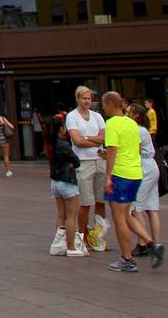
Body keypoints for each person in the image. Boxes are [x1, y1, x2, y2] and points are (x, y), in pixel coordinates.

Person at [100, 91, 157, 273]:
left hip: (120, 174)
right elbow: (138, 148)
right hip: (135, 173)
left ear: (110, 104)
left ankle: (127, 259)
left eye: (103, 104)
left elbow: (112, 150)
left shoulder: (112, 123)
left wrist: (108, 176)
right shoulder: (132, 123)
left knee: (119, 219)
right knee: (126, 214)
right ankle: (150, 243)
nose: (102, 107)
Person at [65, 86, 107, 252]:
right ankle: (82, 237)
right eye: (84, 98)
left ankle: (98, 236)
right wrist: (95, 140)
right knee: (86, 202)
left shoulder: (97, 116)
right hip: (83, 162)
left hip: (100, 160)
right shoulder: (72, 117)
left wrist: (88, 138)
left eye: (89, 98)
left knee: (101, 201)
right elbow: (77, 141)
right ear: (78, 98)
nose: (87, 101)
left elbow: (105, 137)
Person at [126, 103, 165, 268]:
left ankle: (143, 243)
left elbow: (135, 150)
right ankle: (156, 242)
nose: (126, 114)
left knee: (136, 206)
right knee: (152, 208)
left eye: (129, 112)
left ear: (135, 115)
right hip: (152, 166)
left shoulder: (137, 130)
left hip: (143, 167)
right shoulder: (144, 130)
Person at [44, 110, 86, 257]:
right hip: (67, 181)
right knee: (71, 216)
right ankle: (71, 247)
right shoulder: (63, 144)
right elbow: (76, 160)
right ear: (61, 129)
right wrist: (74, 164)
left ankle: (58, 245)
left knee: (61, 215)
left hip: (55, 182)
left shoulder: (50, 144)